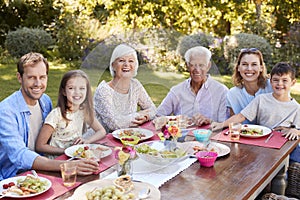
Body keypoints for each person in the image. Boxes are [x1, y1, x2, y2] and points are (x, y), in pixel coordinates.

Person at [0, 52, 99, 180]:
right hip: (14, 175)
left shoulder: (44, 101)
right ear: (19, 77)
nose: (38, 83)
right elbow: (20, 156)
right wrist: (67, 165)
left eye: (42, 77)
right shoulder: (5, 111)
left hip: (44, 169)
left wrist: (68, 151)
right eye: (31, 77)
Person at [212, 62, 299, 162]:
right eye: (276, 80)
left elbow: (297, 129)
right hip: (261, 143)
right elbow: (241, 116)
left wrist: (296, 131)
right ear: (270, 81)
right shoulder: (261, 99)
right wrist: (221, 125)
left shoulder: (296, 108)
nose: (279, 84)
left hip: (282, 147)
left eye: (284, 80)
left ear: (292, 82)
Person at [35, 70, 106, 158]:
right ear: (64, 91)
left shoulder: (83, 111)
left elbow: (101, 131)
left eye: (82, 88)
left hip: (76, 157)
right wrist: (66, 151)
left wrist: (87, 141)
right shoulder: (56, 115)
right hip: (57, 161)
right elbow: (40, 146)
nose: (77, 92)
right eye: (71, 88)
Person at [156, 46, 228, 126]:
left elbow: (225, 124)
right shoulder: (177, 91)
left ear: (208, 66)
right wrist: (174, 119)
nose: (197, 69)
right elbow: (158, 115)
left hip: (210, 137)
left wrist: (209, 121)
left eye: (201, 65)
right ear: (187, 66)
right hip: (180, 137)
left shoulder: (221, 91)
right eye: (193, 65)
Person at [94, 44, 156, 132]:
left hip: (128, 136)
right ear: (113, 65)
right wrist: (138, 115)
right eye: (121, 60)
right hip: (102, 139)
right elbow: (114, 124)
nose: (126, 64)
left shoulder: (135, 85)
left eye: (131, 61)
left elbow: (153, 109)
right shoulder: (103, 90)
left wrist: (146, 116)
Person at [226, 48, 273, 124]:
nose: (249, 69)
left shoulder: (272, 87)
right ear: (238, 68)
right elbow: (233, 125)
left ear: (261, 68)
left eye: (254, 64)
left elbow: (289, 108)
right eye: (244, 64)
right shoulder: (232, 94)